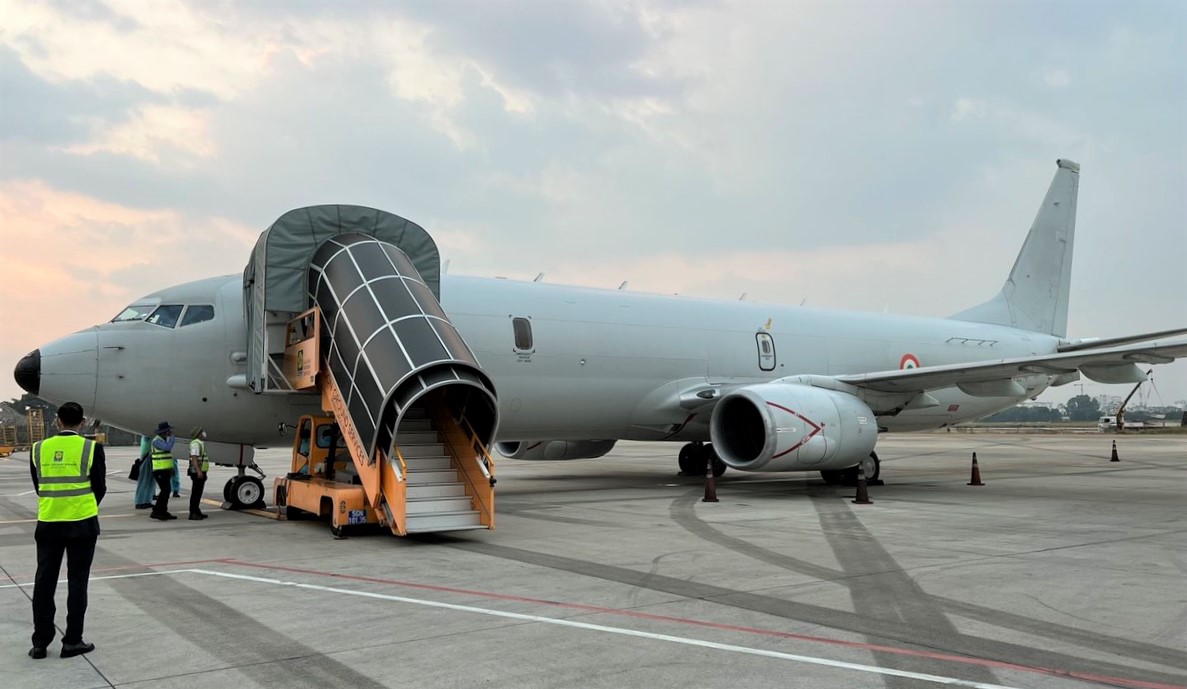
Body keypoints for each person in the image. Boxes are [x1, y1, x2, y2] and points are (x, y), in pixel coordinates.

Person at [28, 401, 105, 660]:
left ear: (57, 421)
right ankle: (72, 641)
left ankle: (40, 642)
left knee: (44, 582)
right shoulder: (92, 448)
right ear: (82, 422)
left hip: (48, 522)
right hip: (82, 523)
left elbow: (39, 486)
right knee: (77, 581)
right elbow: (100, 487)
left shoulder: (38, 448)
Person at [149, 422, 178, 521]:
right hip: (159, 470)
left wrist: (171, 468)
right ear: (165, 431)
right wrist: (172, 437)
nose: (169, 432)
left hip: (165, 470)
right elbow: (167, 447)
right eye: (168, 431)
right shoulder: (156, 441)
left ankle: (162, 511)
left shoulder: (163, 439)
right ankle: (157, 511)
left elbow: (167, 456)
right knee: (165, 491)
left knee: (166, 491)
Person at [187, 426, 210, 520]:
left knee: (198, 493)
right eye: (202, 432)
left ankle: (196, 510)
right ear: (199, 434)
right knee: (196, 493)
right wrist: (199, 471)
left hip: (199, 471)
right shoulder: (196, 444)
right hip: (197, 472)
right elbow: (194, 458)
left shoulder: (199, 443)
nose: (203, 433)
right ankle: (193, 513)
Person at [133, 435, 155, 509]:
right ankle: (140, 502)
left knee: (150, 482)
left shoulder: (149, 436)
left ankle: (147, 501)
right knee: (144, 481)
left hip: (150, 458)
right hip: (146, 459)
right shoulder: (146, 436)